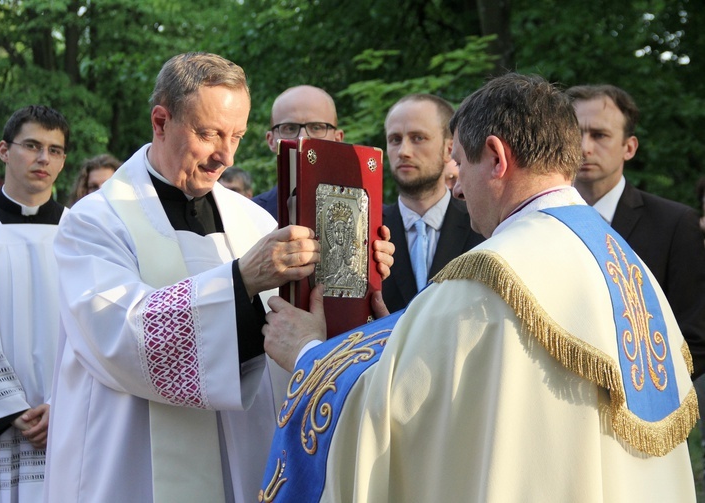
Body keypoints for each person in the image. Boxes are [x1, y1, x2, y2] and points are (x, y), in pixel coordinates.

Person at [259, 74, 697, 502]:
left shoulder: (492, 274)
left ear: (495, 156)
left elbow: (385, 414)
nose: (459, 189)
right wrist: (393, 336)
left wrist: (308, 354)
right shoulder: (622, 259)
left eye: (461, 165)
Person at [44, 52, 393, 503]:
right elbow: (121, 337)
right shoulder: (94, 223)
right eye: (209, 134)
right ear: (160, 121)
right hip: (134, 468)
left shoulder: (252, 220)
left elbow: (299, 325)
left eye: (237, 136)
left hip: (242, 459)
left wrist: (358, 271)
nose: (224, 156)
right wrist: (241, 279)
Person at [0, 105, 69, 501]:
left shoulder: (86, 235)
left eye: (55, 150)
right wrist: (6, 407)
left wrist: (63, 404)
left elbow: (101, 328)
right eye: (32, 146)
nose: (43, 158)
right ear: (4, 150)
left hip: (68, 421)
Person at [567, 84, 705, 379]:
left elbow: (694, 337)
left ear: (629, 147)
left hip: (643, 404)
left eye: (599, 135)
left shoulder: (675, 224)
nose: (584, 147)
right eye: (575, 134)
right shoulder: (538, 221)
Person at [382, 93, 483, 312]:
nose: (404, 152)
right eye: (395, 140)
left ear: (449, 149)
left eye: (418, 138)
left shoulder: (482, 228)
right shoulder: (368, 230)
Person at [251, 85, 344, 219]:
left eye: (316, 127)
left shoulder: (368, 215)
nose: (302, 138)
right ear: (271, 141)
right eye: (289, 128)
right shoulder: (249, 215)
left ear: (337, 139)